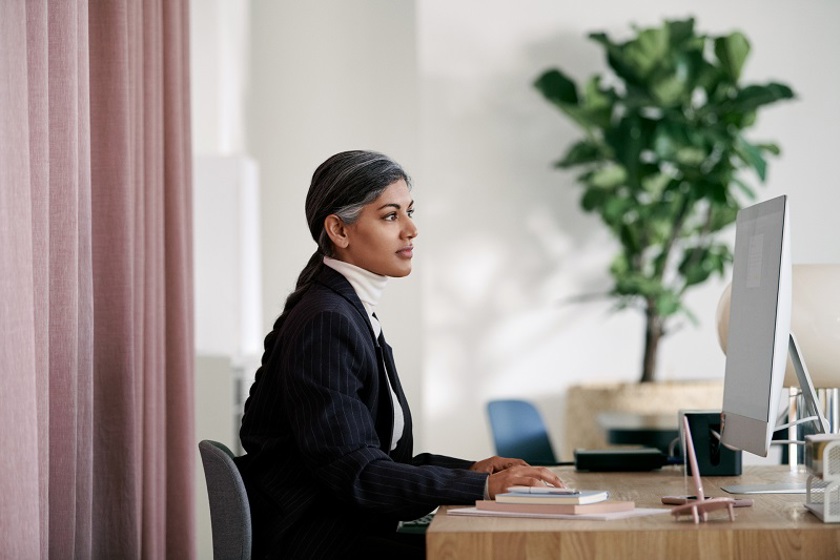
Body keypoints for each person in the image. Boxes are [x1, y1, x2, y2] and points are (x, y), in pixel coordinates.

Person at [237, 150, 565, 559]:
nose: (412, 229)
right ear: (339, 229)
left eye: (409, 211)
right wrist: (481, 488)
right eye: (391, 216)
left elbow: (372, 457)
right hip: (323, 542)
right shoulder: (327, 321)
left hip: (347, 531)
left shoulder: (346, 311)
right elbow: (356, 473)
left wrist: (469, 471)